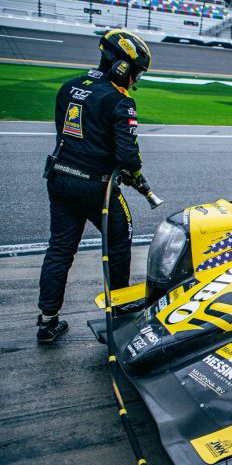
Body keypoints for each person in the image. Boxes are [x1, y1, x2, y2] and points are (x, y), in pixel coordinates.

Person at [36, 29, 152, 343]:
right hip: (95, 187)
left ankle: (47, 321)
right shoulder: (120, 100)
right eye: (136, 73)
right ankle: (119, 317)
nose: (136, 80)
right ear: (122, 67)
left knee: (60, 249)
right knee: (120, 240)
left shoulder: (69, 86)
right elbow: (128, 156)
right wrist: (135, 173)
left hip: (59, 179)